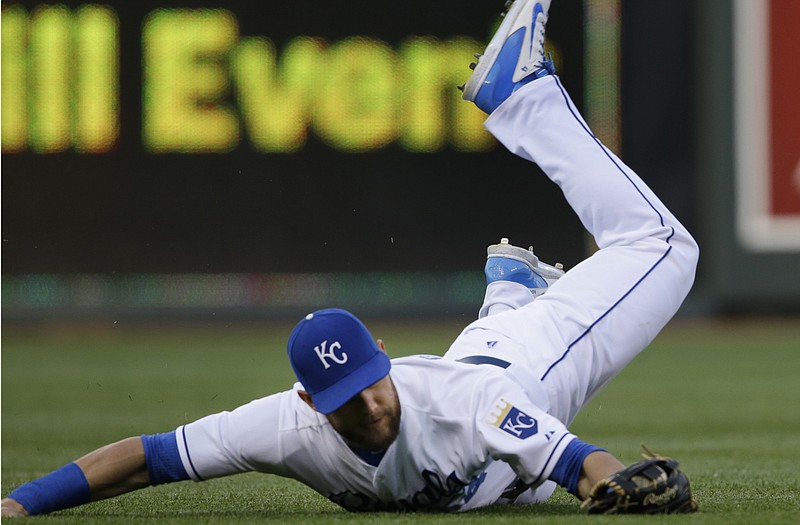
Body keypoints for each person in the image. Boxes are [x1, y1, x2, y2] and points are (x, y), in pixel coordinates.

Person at [2, 0, 700, 517]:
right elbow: (151, 458)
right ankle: (510, 290)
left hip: (527, 369)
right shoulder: (286, 427)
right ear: (311, 401)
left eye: (372, 380)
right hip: (484, 381)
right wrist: (22, 504)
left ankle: (524, 100)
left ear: (384, 355)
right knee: (516, 475)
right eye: (347, 399)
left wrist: (610, 483)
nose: (370, 404)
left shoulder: (470, 407)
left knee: (664, 247)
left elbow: (578, 461)